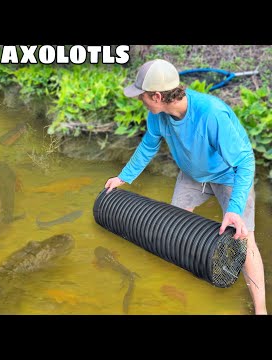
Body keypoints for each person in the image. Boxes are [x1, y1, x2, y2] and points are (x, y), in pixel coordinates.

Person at [104, 59, 267, 315]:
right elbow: (148, 146)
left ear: (157, 95)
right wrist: (123, 178)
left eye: (142, 96)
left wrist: (234, 208)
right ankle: (183, 286)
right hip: (192, 175)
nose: (140, 101)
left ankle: (260, 309)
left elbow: (245, 161)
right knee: (173, 229)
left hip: (228, 176)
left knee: (244, 239)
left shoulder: (212, 114)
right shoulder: (157, 116)